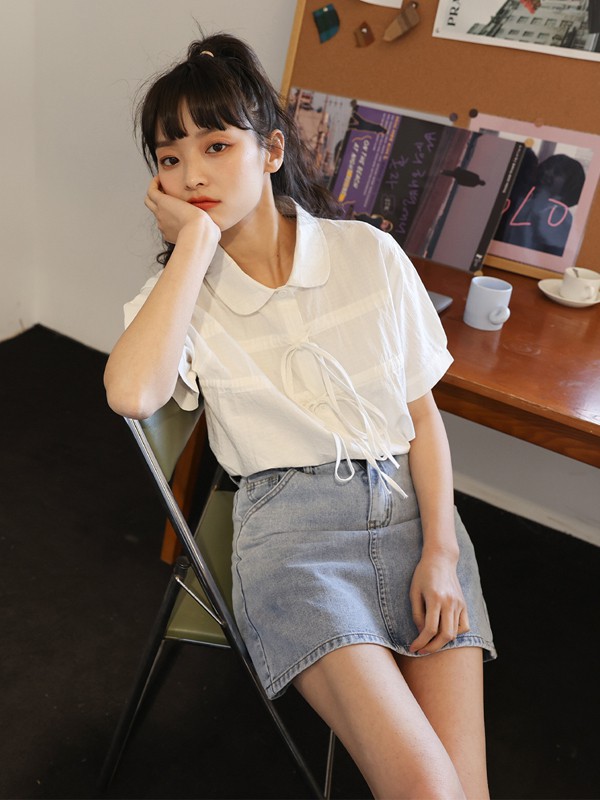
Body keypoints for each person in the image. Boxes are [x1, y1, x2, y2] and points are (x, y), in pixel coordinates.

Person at [104, 32, 496, 799]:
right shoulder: (181, 297)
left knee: (467, 789)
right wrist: (194, 247)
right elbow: (130, 393)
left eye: (216, 145)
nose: (192, 174)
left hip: (412, 513)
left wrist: (442, 553)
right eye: (170, 158)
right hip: (294, 540)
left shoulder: (369, 255)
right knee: (428, 789)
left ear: (273, 151)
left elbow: (422, 418)